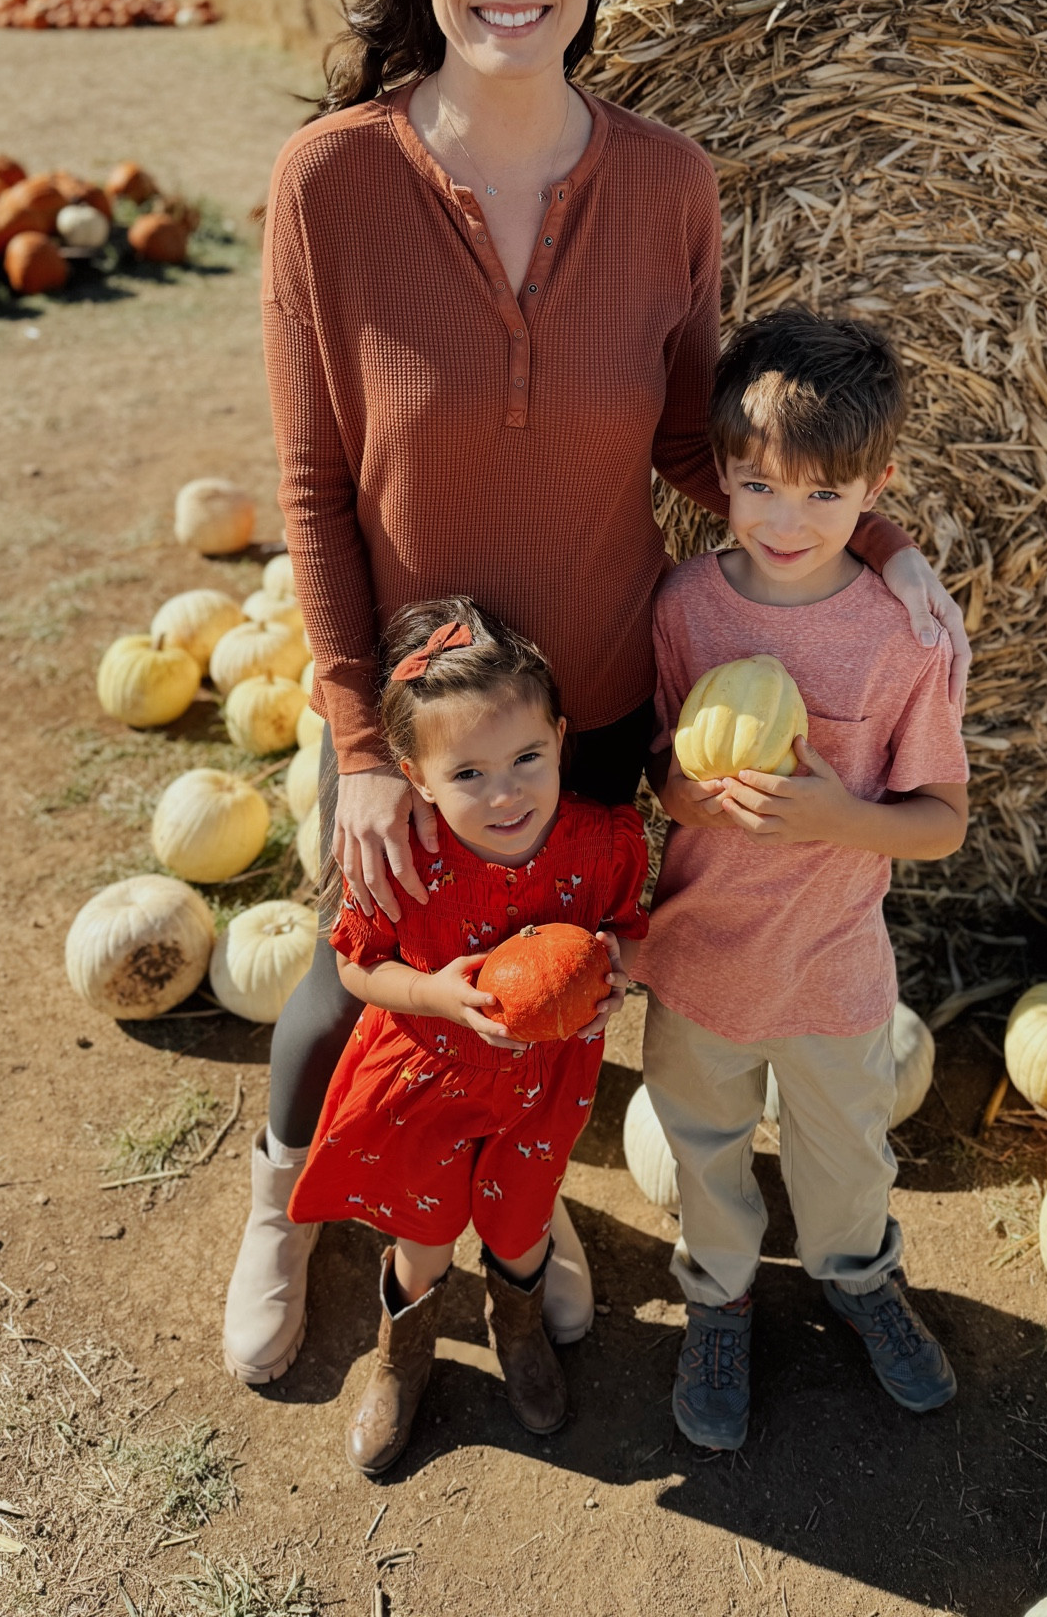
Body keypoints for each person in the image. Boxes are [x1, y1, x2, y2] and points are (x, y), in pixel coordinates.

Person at [224, 0, 970, 1390]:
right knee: (357, 985)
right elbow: (312, 478)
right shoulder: (329, 181)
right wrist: (354, 743)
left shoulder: (665, 181)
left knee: (553, 988)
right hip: (415, 717)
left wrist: (885, 536)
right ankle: (282, 1196)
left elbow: (700, 449)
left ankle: (512, 1209)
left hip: (608, 700)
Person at [638, 307, 969, 1452]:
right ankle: (721, 1292)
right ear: (719, 473)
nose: (788, 519)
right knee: (704, 1137)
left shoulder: (902, 639)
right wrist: (688, 790)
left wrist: (842, 815)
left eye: (826, 496)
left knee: (846, 1149)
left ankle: (857, 1273)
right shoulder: (683, 606)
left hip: (833, 963)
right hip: (699, 955)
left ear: (877, 486)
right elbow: (658, 779)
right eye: (758, 486)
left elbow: (943, 821)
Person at [287, 597, 644, 1474]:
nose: (507, 791)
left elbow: (629, 929)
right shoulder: (407, 859)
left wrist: (615, 975)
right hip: (429, 1079)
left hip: (541, 1087)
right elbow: (356, 966)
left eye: (527, 757)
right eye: (470, 774)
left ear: (562, 738)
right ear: (415, 777)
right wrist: (433, 995)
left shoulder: (601, 842)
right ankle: (403, 1356)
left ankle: (515, 1329)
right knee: (423, 1235)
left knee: (522, 1229)